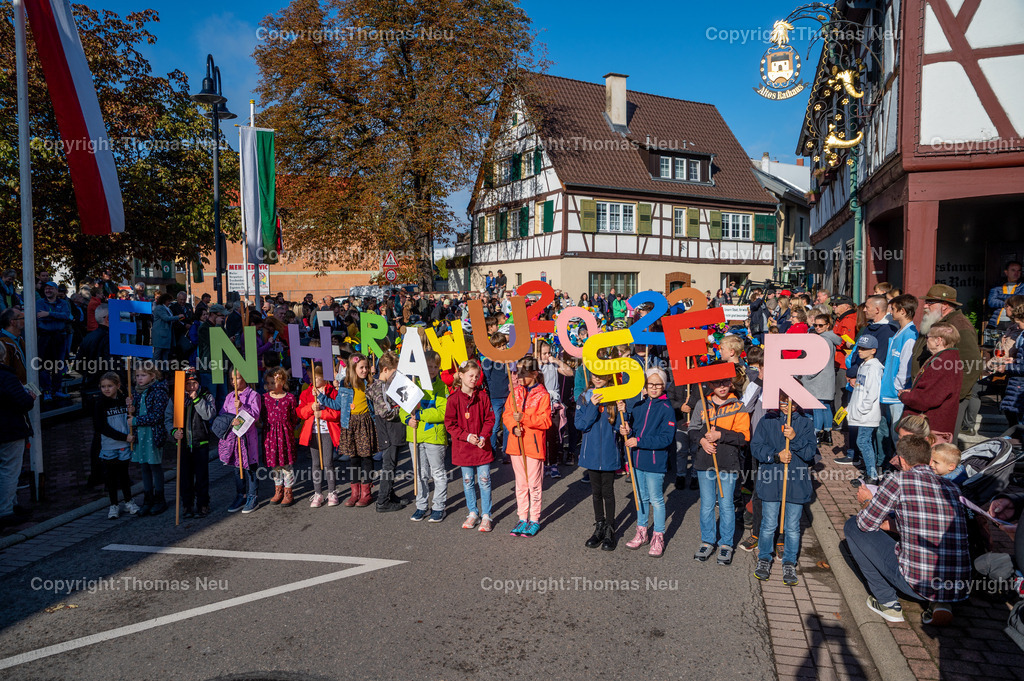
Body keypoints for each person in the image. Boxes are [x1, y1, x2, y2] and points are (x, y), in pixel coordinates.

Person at [846, 435, 970, 625]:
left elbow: (866, 524)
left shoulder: (898, 480)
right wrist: (893, 526)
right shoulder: (952, 487)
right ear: (928, 459)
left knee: (853, 526)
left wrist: (866, 501)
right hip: (956, 586)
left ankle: (887, 602)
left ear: (902, 460)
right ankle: (940, 603)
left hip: (917, 584)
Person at [752, 394, 816, 586]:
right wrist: (775, 456)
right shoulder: (767, 420)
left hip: (796, 482)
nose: (787, 406)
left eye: (792, 402)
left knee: (793, 527)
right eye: (783, 401)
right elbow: (756, 448)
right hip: (771, 481)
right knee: (768, 524)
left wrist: (794, 438)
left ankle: (789, 561)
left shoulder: (806, 423)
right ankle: (764, 557)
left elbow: (810, 454)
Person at [688, 370, 751, 566]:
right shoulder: (702, 404)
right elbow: (692, 429)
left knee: (726, 505)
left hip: (728, 463)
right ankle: (707, 541)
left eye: (725, 382)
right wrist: (702, 441)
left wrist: (720, 435)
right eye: (717, 383)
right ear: (710, 385)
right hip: (705, 462)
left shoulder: (739, 406)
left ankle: (726, 544)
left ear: (730, 383)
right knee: (707, 505)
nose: (722, 386)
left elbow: (744, 437)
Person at [620, 368, 677, 557]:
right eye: (650, 384)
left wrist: (639, 441)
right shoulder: (639, 405)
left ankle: (658, 536)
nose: (653, 387)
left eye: (658, 384)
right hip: (637, 459)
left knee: (656, 500)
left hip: (655, 461)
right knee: (641, 498)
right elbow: (633, 428)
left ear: (664, 386)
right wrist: (626, 429)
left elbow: (666, 439)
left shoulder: (667, 409)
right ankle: (642, 531)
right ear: (645, 385)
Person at [913, 285, 981, 436]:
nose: (925, 306)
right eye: (926, 302)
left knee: (943, 441)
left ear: (944, 305)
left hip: (948, 400)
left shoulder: (960, 325)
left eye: (930, 303)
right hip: (931, 397)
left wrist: (953, 396)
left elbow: (973, 365)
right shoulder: (935, 322)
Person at [503, 356, 552, 537]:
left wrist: (524, 418)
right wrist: (512, 427)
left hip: (533, 447)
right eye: (518, 372)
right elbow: (507, 414)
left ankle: (535, 519)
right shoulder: (514, 392)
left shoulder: (543, 395)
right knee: (521, 484)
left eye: (524, 373)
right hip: (516, 445)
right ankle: (522, 518)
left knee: (534, 485)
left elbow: (545, 421)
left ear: (534, 373)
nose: (519, 376)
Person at [444, 359, 496, 531]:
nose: (474, 379)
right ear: (461, 375)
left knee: (484, 480)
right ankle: (473, 512)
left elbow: (490, 419)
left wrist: (483, 436)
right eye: (470, 375)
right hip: (464, 448)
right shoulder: (453, 399)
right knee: (468, 481)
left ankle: (486, 515)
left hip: (481, 447)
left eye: (476, 376)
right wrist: (466, 436)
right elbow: (450, 424)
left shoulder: (483, 396)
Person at [324, 353, 377, 507]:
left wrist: (376, 378)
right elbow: (337, 405)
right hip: (351, 424)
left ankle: (366, 493)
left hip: (366, 422)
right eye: (361, 367)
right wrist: (321, 398)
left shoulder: (370, 382)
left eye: (366, 367)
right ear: (353, 368)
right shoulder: (345, 384)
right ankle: (355, 493)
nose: (365, 370)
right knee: (354, 459)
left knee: (366, 458)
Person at [576, 371, 621, 551]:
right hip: (592, 454)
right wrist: (592, 406)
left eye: (602, 375)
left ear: (609, 376)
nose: (597, 378)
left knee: (608, 492)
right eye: (595, 374)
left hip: (609, 453)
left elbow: (620, 426)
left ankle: (610, 529)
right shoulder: (584, 397)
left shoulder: (615, 396)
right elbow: (581, 424)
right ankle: (599, 526)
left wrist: (622, 411)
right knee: (596, 492)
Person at [403, 351, 450, 523]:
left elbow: (443, 412)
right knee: (420, 473)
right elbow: (403, 408)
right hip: (415, 436)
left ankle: (438, 507)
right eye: (429, 366)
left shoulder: (442, 387)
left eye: (436, 366)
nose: (432, 370)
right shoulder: (412, 384)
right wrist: (407, 419)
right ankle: (422, 506)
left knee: (438, 472)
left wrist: (420, 415)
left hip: (434, 437)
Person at [901, 322, 963, 444]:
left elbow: (927, 398)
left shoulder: (942, 362)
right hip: (935, 424)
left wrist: (905, 396)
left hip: (931, 428)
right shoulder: (947, 358)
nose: (926, 341)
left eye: (927, 337)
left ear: (938, 340)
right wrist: (913, 392)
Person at [164, 367, 215, 517]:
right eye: (188, 384)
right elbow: (168, 418)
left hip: (201, 443)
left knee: (202, 477)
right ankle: (187, 505)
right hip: (183, 444)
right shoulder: (176, 398)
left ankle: (203, 504)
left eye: (194, 383)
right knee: (185, 477)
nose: (191, 387)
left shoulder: (206, 395)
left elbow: (208, 415)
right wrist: (173, 432)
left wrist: (197, 399)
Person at [366, 352, 408, 512]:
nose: (396, 376)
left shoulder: (386, 385)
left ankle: (389, 494)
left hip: (392, 431)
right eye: (394, 372)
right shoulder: (380, 387)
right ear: (384, 370)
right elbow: (386, 412)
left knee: (392, 464)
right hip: (387, 431)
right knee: (388, 466)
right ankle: (382, 501)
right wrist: (403, 408)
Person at [127, 360, 170, 516]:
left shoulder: (159, 391)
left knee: (154, 466)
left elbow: (158, 416)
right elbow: (135, 412)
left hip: (153, 435)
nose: (139, 378)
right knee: (144, 467)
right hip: (141, 435)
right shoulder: (137, 392)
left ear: (152, 376)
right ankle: (148, 499)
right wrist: (132, 408)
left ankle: (159, 499)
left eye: (143, 375)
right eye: (137, 375)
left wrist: (136, 420)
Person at [218, 369, 262, 514]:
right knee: (238, 468)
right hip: (234, 439)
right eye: (232, 379)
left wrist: (242, 407)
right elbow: (223, 414)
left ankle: (253, 496)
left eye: (237, 378)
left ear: (245, 378)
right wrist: (231, 420)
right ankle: (240, 495)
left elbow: (255, 415)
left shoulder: (253, 395)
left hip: (248, 439)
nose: (233, 382)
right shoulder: (229, 396)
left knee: (250, 467)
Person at [298, 365, 342, 508]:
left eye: (316, 377)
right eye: (311, 378)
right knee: (316, 463)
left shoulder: (332, 392)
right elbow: (300, 413)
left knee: (328, 462)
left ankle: (332, 492)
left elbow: (337, 413)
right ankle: (318, 493)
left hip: (327, 432)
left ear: (324, 376)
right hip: (313, 432)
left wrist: (322, 414)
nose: (312, 380)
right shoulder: (306, 393)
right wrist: (311, 407)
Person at [0, 343, 33, 527]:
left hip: (7, 428)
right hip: (9, 429)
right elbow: (23, 402)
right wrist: (30, 397)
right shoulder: (7, 376)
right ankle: (6, 510)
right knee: (10, 470)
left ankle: (12, 504)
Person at [880, 295, 919, 450]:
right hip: (890, 390)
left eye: (893, 309)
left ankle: (901, 462)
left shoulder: (910, 334)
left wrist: (898, 387)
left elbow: (906, 366)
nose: (890, 312)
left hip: (897, 394)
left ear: (903, 311)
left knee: (898, 434)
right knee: (891, 432)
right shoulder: (900, 331)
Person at [95, 372, 136, 519]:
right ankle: (113, 505)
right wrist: (124, 436)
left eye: (110, 386)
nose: (106, 389)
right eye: (103, 386)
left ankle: (129, 501)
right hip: (109, 445)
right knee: (111, 477)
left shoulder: (125, 399)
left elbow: (131, 416)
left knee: (124, 475)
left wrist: (132, 409)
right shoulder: (99, 403)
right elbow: (100, 427)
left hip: (124, 445)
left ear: (118, 386)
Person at [847, 336, 884, 483]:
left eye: (864, 348)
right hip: (862, 412)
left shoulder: (874, 367)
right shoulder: (864, 365)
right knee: (865, 442)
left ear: (873, 350)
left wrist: (863, 409)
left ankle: (872, 476)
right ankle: (870, 472)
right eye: (859, 348)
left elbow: (872, 391)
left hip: (867, 414)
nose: (860, 351)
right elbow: (859, 390)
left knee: (863, 442)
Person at [263, 367, 298, 507]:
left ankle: (288, 491)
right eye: (268, 383)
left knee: (286, 465)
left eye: (273, 382)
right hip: (270, 436)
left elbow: (294, 417)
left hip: (285, 436)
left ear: (282, 382)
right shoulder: (265, 398)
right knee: (275, 465)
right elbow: (262, 416)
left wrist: (288, 429)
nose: (270, 386)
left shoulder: (290, 398)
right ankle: (278, 489)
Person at [802, 313, 838, 443]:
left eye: (821, 325)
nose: (817, 327)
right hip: (827, 378)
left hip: (818, 379)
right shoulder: (831, 339)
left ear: (828, 325)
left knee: (817, 406)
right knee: (825, 406)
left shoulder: (823, 340)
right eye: (815, 325)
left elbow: (818, 362)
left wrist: (807, 375)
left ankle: (817, 434)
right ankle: (827, 434)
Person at [37, 281, 72, 400]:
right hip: (45, 337)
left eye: (51, 288)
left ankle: (57, 390)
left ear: (56, 290)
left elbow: (66, 316)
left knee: (59, 365)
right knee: (44, 366)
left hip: (59, 337)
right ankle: (46, 391)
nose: (48, 290)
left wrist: (48, 314)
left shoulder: (63, 303)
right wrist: (56, 316)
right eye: (46, 288)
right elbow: (39, 317)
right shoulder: (39, 302)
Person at [481, 332, 510, 464]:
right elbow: (486, 378)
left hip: (508, 396)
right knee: (494, 426)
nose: (503, 348)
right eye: (499, 346)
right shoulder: (488, 361)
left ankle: (506, 451)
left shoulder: (508, 359)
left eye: (504, 345)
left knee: (507, 426)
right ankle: (492, 451)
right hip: (495, 397)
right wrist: (491, 392)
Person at [988, 260, 1023, 329]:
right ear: (1006, 272)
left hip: (1016, 322)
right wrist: (1009, 304)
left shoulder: (1022, 286)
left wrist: (1000, 296)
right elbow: (991, 302)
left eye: (1019, 271)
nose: (1016, 273)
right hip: (997, 321)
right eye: (1013, 270)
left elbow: (1019, 301)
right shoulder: (997, 286)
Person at [0, 307, 27, 385]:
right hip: (15, 388)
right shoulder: (3, 343)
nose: (25, 320)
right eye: (22, 318)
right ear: (13, 322)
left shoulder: (19, 339)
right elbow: (4, 373)